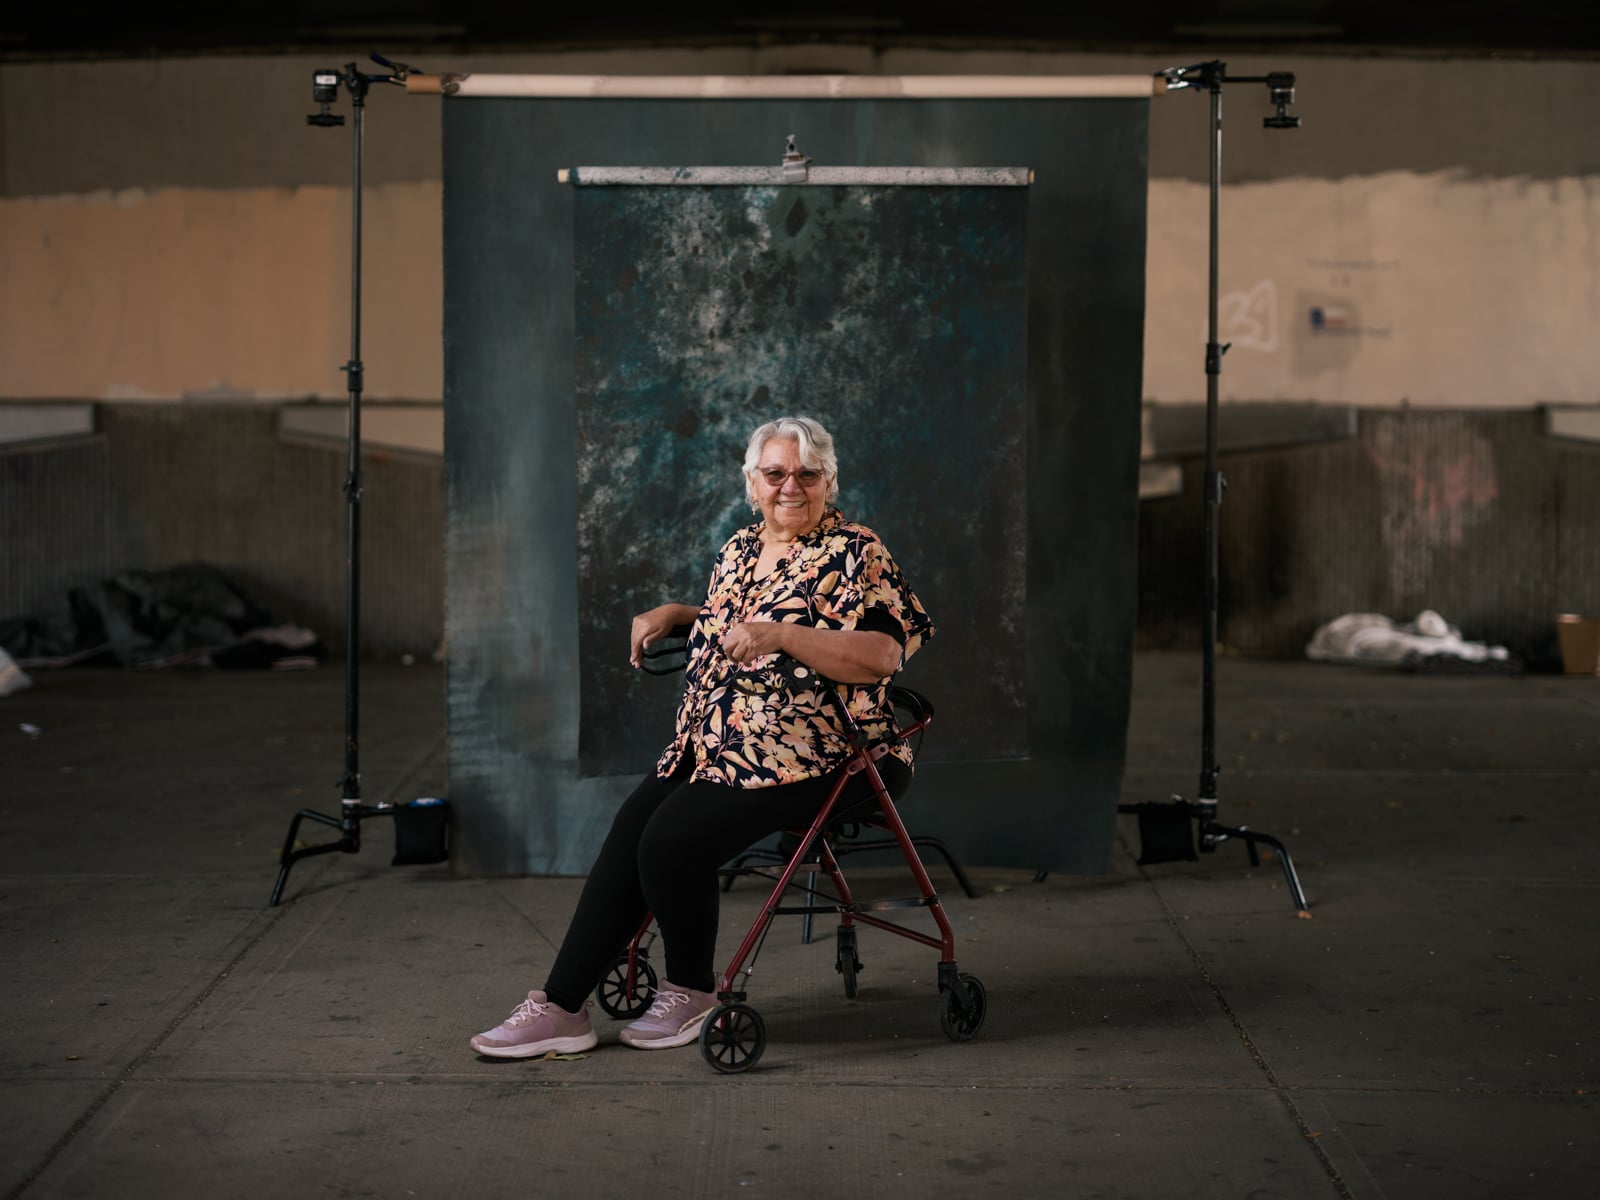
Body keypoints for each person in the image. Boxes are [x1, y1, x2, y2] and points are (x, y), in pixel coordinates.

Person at [470, 415, 935, 1058]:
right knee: (632, 828)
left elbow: (883, 654)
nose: (790, 486)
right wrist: (679, 615)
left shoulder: (857, 552)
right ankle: (560, 1006)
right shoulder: (739, 549)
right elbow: (732, 625)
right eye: (775, 474)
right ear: (752, 482)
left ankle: (691, 992)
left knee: (671, 839)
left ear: (828, 481)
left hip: (828, 751)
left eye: (806, 474)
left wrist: (782, 635)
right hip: (717, 741)